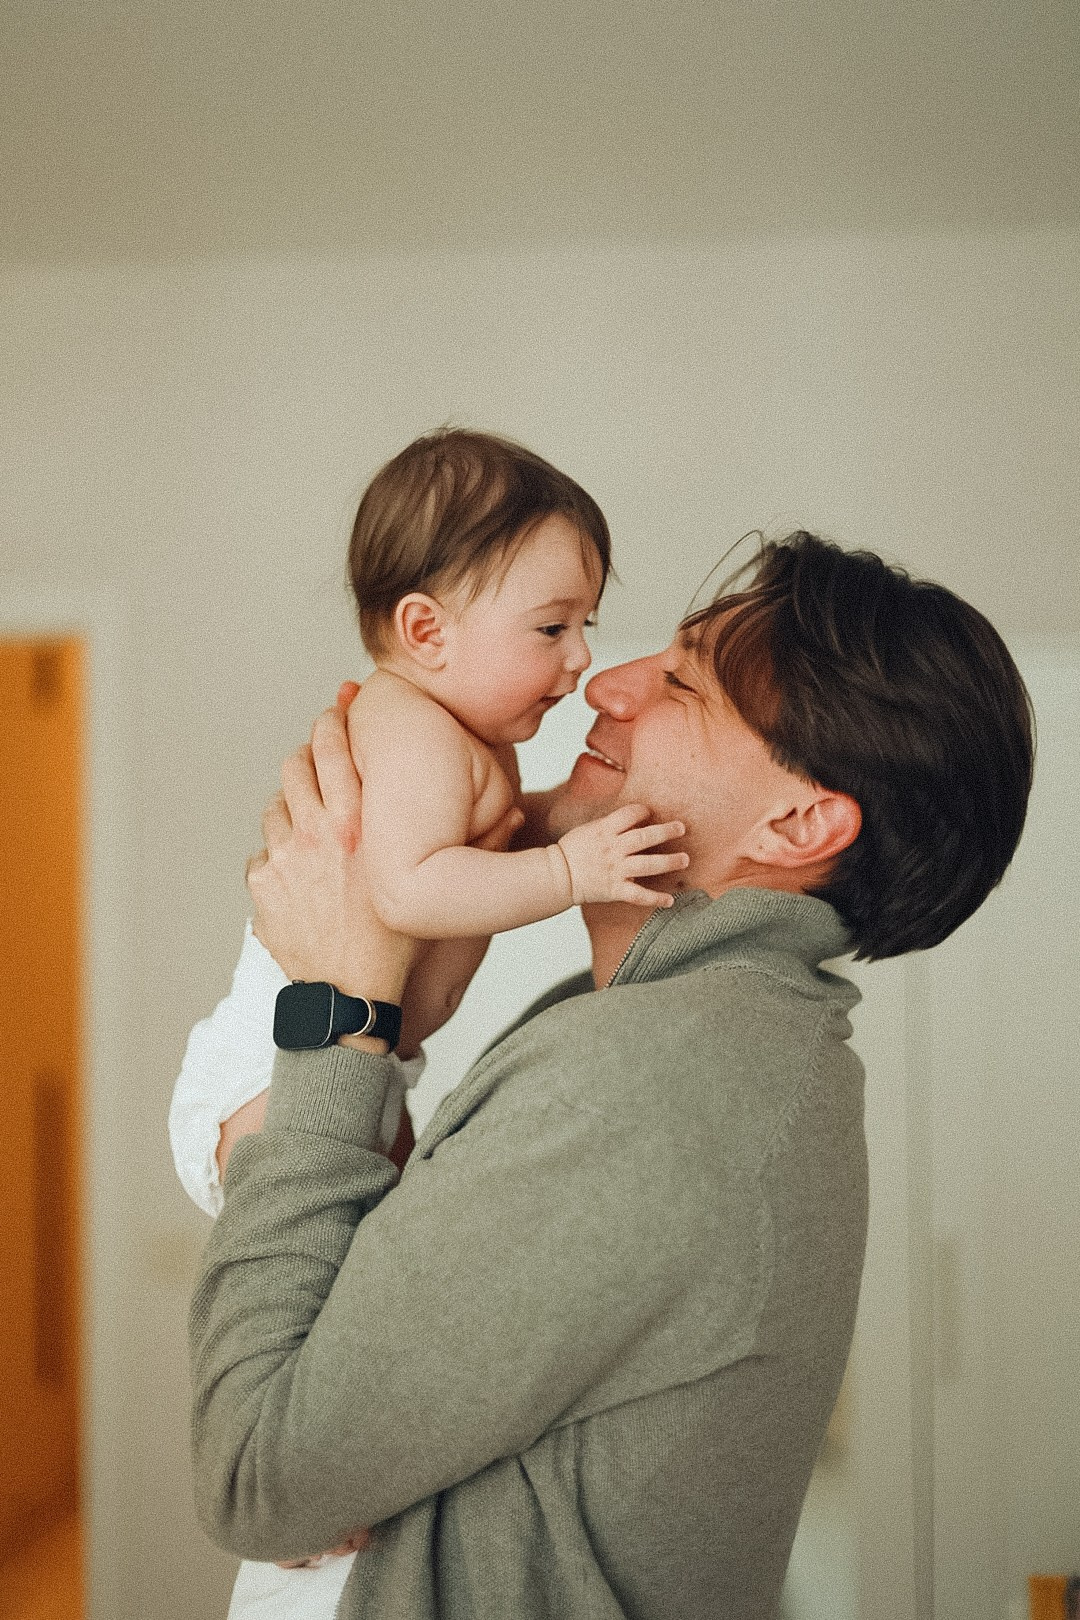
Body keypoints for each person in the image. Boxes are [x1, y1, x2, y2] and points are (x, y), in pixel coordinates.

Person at [188, 530, 1034, 1619]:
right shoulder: (702, 1040)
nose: (604, 682)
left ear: (798, 823)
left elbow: (256, 1476)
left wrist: (337, 1004)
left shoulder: (655, 1082)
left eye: (683, 684)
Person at [170, 429, 686, 1225]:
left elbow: (488, 836)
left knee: (375, 1257)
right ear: (426, 632)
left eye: (587, 623)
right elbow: (411, 889)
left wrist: (567, 817)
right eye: (553, 628)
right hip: (275, 1069)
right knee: (308, 1240)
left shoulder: (463, 735)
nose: (582, 655)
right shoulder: (412, 731)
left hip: (374, 1055)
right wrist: (569, 872)